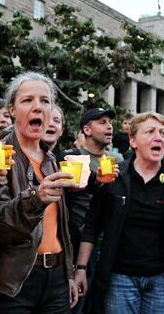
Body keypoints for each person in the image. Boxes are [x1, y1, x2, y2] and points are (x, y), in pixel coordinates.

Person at [75, 112, 164, 313]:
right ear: (133, 140)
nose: (158, 137)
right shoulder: (114, 177)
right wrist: (81, 268)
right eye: (150, 132)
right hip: (119, 279)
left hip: (163, 281)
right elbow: (92, 225)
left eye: (163, 133)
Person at [0, 72, 79, 313]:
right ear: (12, 110)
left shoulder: (51, 160)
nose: (38, 107)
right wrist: (35, 198)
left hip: (56, 281)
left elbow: (59, 227)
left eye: (45, 101)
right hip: (11, 283)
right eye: (27, 100)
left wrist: (68, 273)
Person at [62, 107, 124, 313]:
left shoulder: (118, 162)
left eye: (110, 122)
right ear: (87, 130)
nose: (109, 127)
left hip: (108, 247)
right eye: (102, 122)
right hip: (78, 244)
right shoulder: (73, 157)